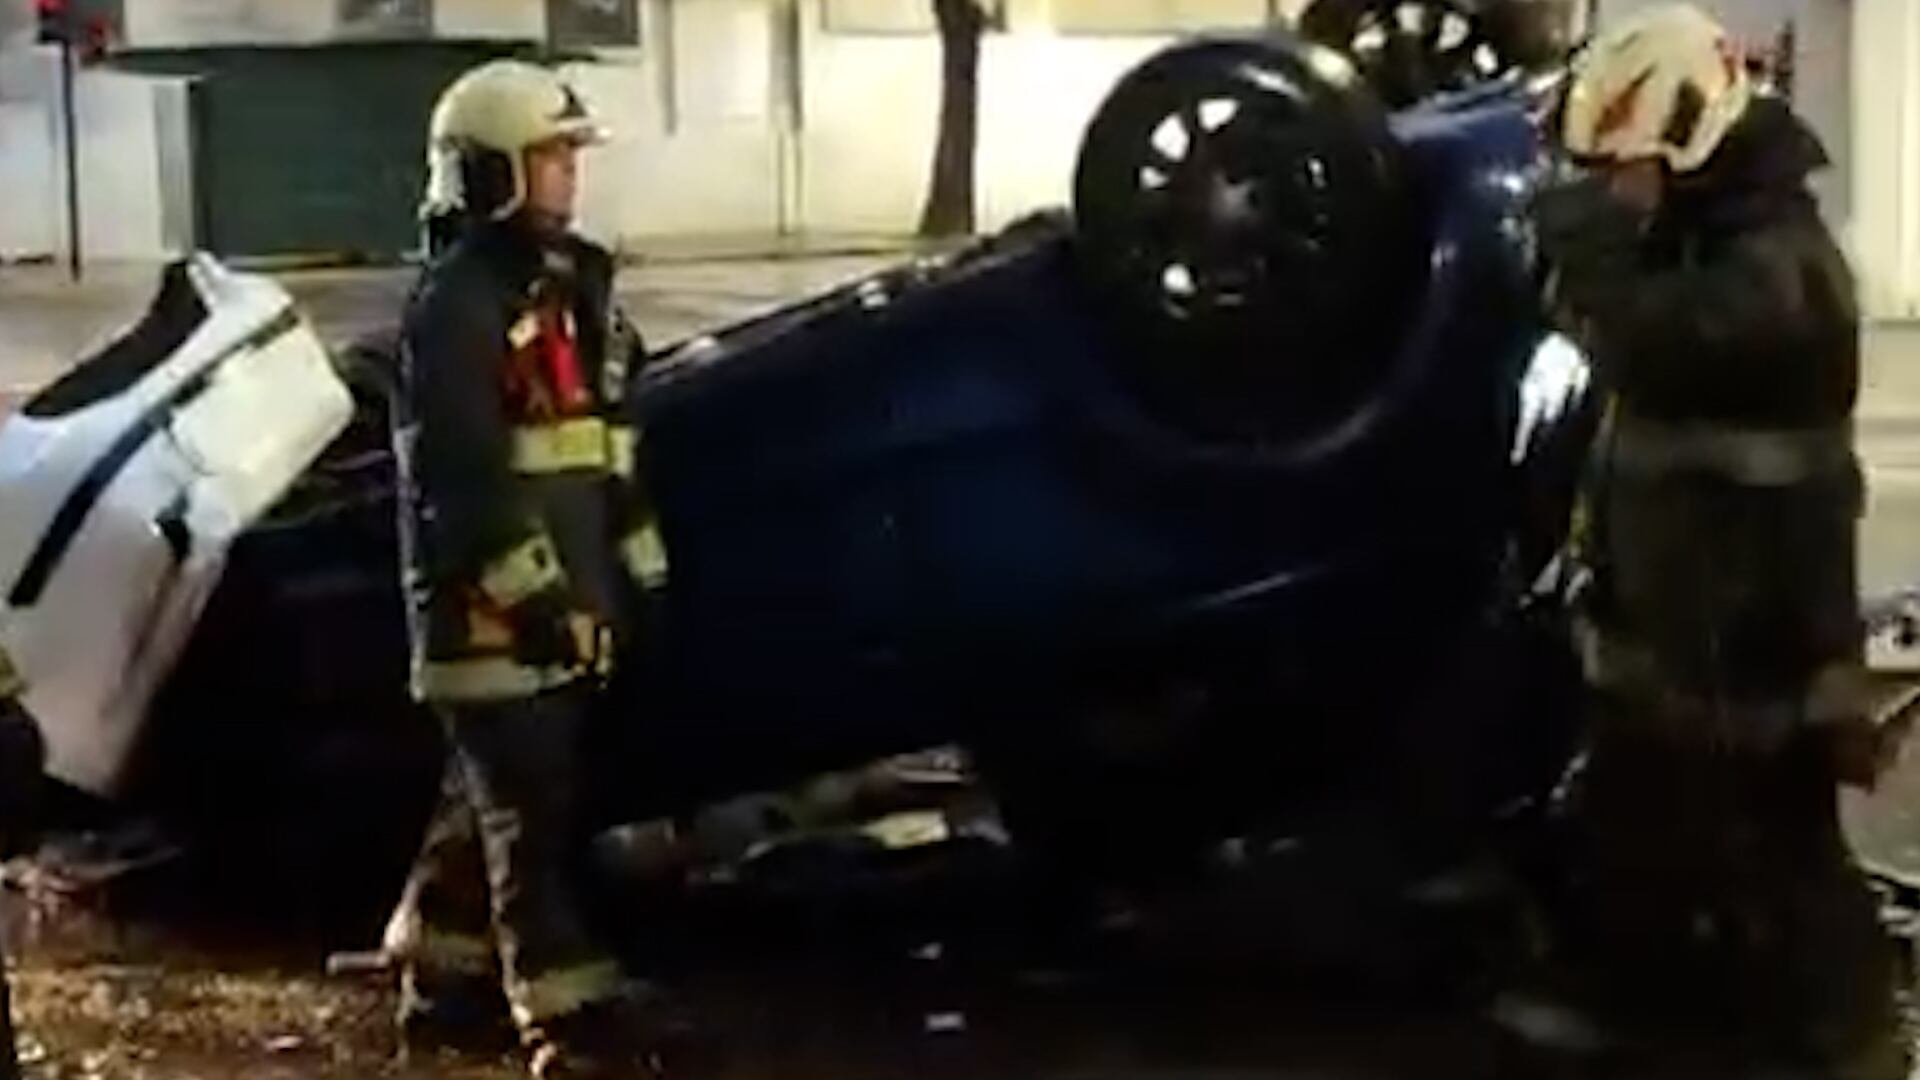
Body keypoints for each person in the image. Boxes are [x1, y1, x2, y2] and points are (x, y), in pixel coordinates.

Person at [1522, 4, 1910, 1074]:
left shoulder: (1780, 268)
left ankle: (1847, 1037)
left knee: (1777, 843)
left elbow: (1664, 343)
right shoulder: (1707, 231)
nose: (1615, 189)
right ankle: (1648, 1010)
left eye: (1626, 166)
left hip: (1753, 616)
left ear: (1689, 142)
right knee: (1641, 819)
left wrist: (1588, 257)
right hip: (1682, 599)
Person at [382, 59, 667, 1080]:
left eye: (567, 155)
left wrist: (638, 575)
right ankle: (562, 1014)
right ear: (487, 171)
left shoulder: (572, 292)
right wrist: (542, 603)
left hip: (569, 605)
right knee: (531, 812)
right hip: (490, 624)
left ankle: (439, 978)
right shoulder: (453, 310)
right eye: (547, 156)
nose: (566, 175)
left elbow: (607, 446)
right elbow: (463, 484)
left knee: (490, 801)